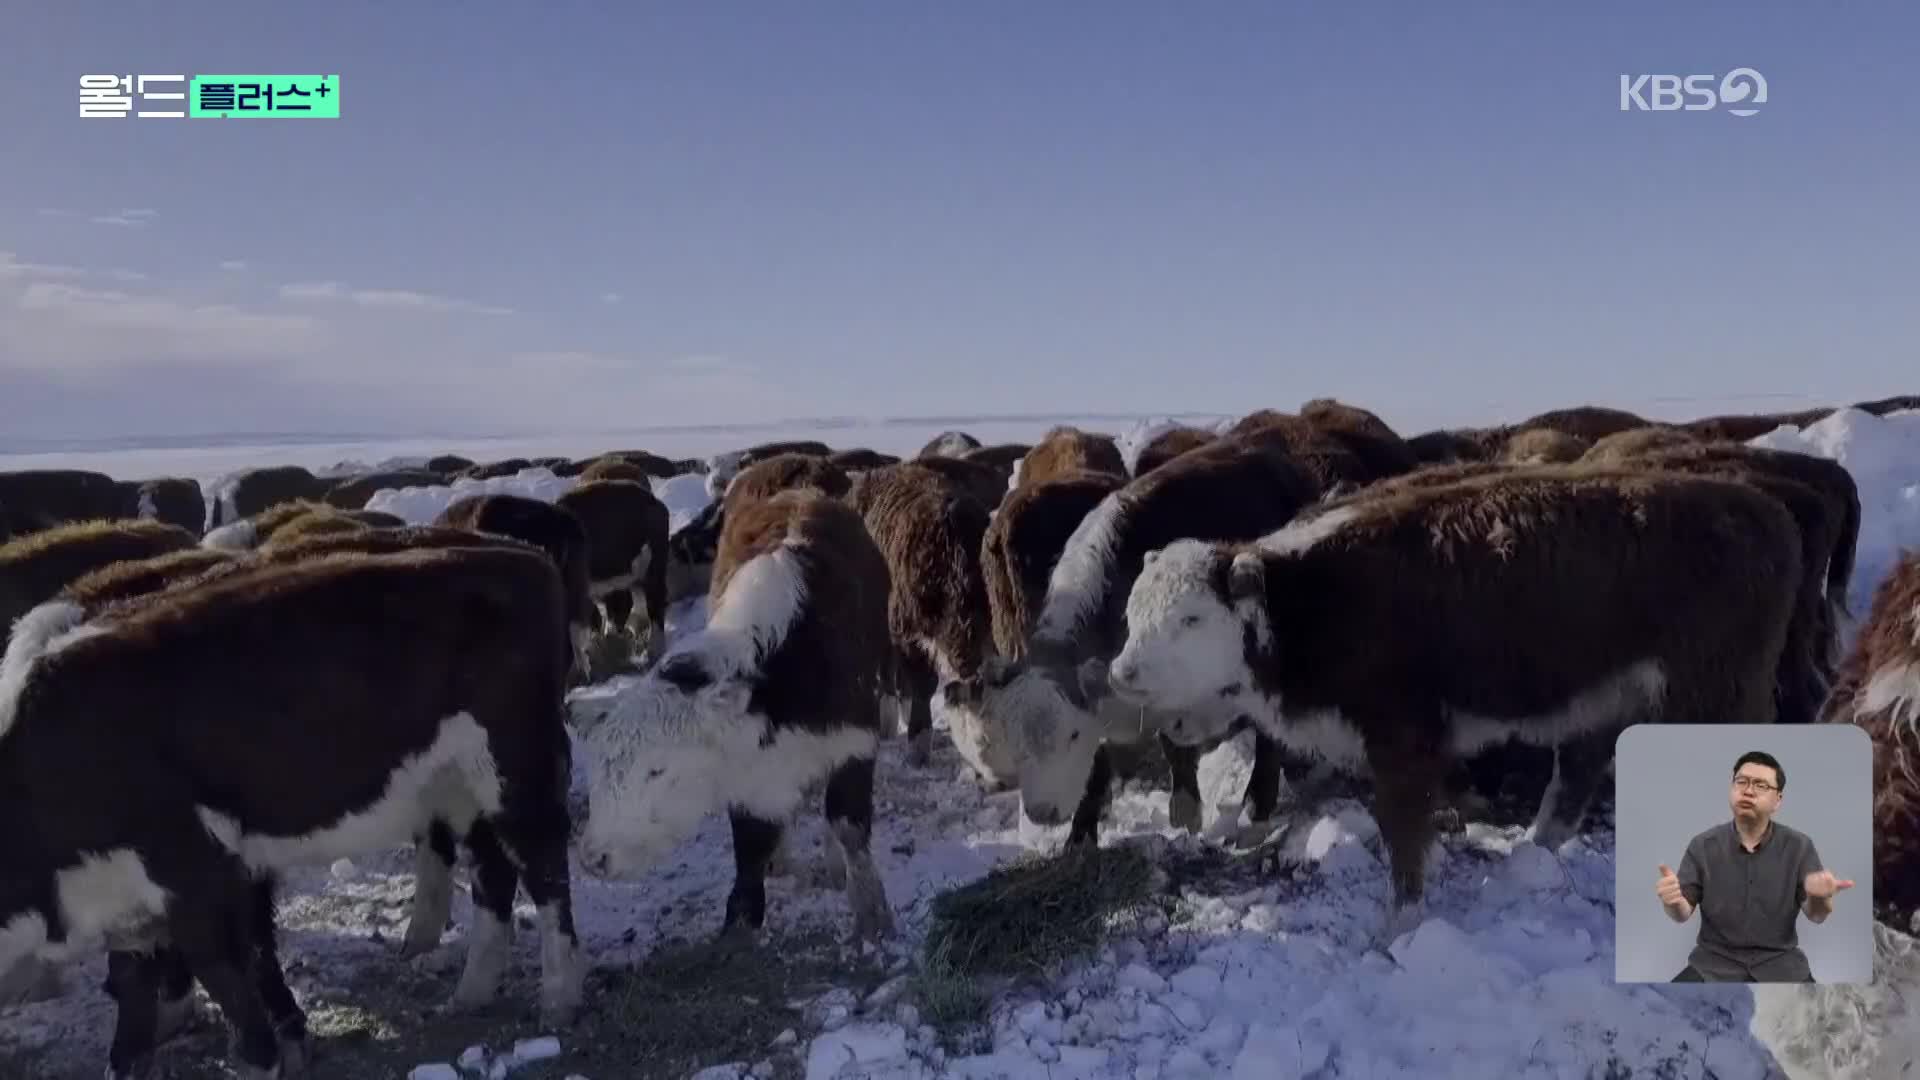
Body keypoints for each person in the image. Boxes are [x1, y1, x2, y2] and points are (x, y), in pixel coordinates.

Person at [1654, 750, 1853, 982]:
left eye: (1760, 785)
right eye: (1742, 782)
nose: (1748, 791)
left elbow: (1817, 915)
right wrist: (1672, 902)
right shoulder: (1702, 846)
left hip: (1782, 968)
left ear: (1778, 800)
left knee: (1821, 1018)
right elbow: (1681, 913)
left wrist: (1820, 898)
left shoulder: (1799, 847)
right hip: (1713, 966)